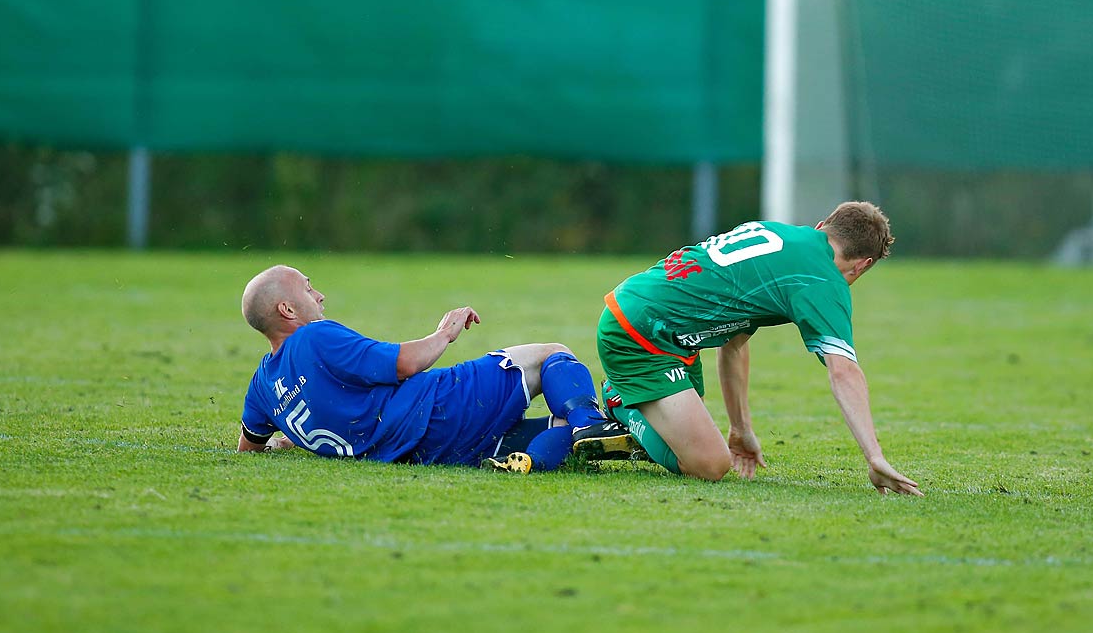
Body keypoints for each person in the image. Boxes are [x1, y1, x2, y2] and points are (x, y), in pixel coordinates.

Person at [596, 202, 922, 496]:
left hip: (657, 321)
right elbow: (843, 370)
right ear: (863, 266)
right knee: (710, 463)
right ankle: (620, 401)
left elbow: (733, 344)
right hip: (640, 333)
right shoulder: (820, 278)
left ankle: (631, 407)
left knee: (685, 428)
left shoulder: (778, 234)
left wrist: (741, 428)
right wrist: (875, 456)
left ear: (822, 226)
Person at [235, 265, 632, 472]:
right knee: (550, 354)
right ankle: (590, 421)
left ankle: (532, 460)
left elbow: (250, 448)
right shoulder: (313, 337)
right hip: (436, 409)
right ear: (287, 310)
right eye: (307, 288)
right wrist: (445, 333)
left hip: (416, 453)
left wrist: (289, 439)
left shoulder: (262, 387)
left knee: (553, 432)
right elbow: (405, 364)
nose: (318, 294)